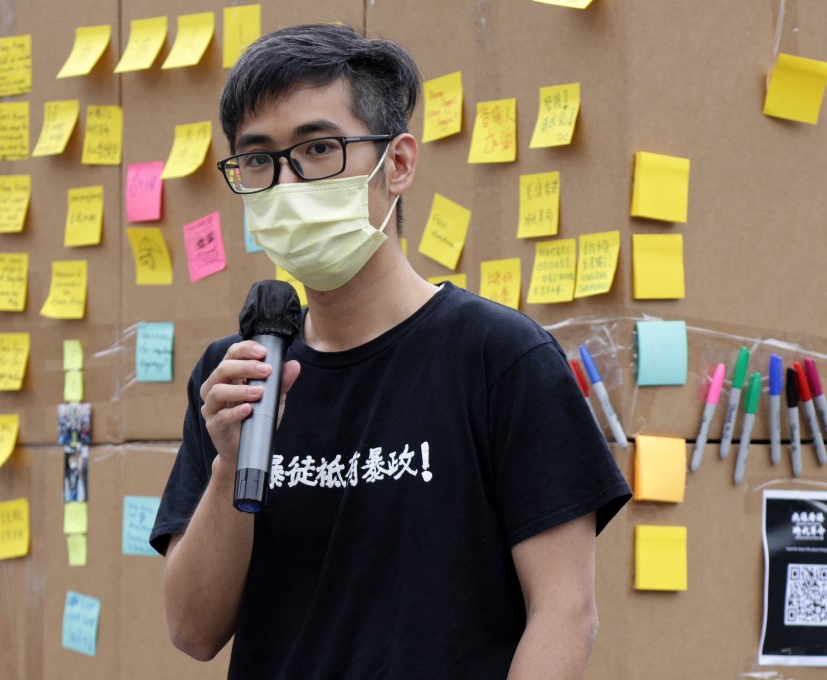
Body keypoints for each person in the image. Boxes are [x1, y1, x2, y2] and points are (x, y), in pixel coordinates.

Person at [150, 23, 631, 679]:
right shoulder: (235, 377)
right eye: (258, 159)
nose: (287, 184)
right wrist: (231, 467)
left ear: (397, 163)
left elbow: (566, 613)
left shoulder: (500, 358)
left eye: (318, 148)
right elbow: (193, 630)